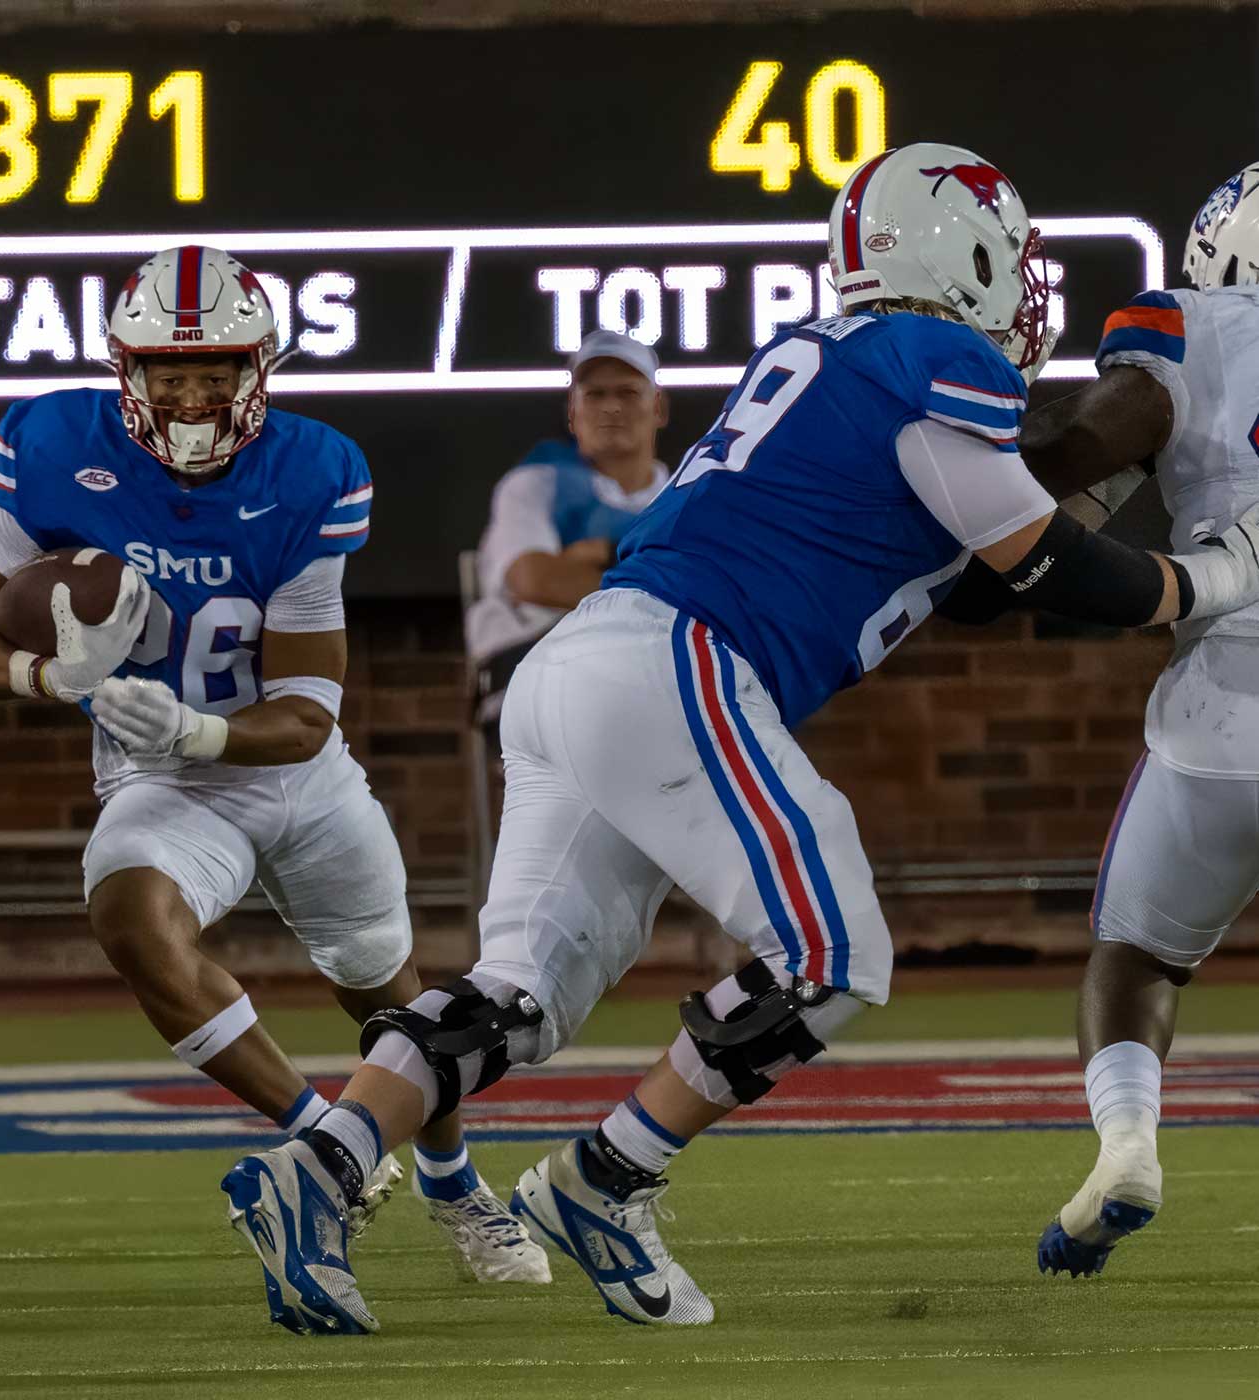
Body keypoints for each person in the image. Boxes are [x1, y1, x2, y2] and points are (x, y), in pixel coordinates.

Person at [216, 143, 1259, 1335]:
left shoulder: (830, 355)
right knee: (834, 950)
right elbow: (1047, 565)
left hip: (583, 665)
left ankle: (322, 1167)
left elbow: (981, 577)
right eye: (1010, 255)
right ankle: (608, 1174)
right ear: (960, 254)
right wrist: (1221, 573)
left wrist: (1097, 504)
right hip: (679, 661)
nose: (1022, 285)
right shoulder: (933, 357)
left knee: (517, 992)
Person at [0, 245, 547, 1295]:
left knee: (387, 993)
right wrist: (42, 673)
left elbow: (305, 715)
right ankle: (325, 1142)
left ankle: (455, 1185)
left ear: (258, 369)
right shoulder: (56, 445)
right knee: (130, 916)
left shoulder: (311, 472)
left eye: (215, 371)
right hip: (158, 783)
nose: (192, 398)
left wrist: (194, 730)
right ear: (127, 371)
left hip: (289, 774)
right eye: (169, 374)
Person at [1021, 164, 1259, 1277]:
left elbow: (1081, 448)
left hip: (1224, 719)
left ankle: (1128, 1146)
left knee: (1139, 955)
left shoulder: (1187, 325)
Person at [466, 331, 669, 725]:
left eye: (628, 392)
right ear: (573, 412)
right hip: (533, 668)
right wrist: (658, 583)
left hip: (651, 679)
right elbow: (536, 579)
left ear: (657, 407)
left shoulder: (687, 497)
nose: (611, 407)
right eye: (595, 394)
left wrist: (599, 555)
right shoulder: (535, 484)